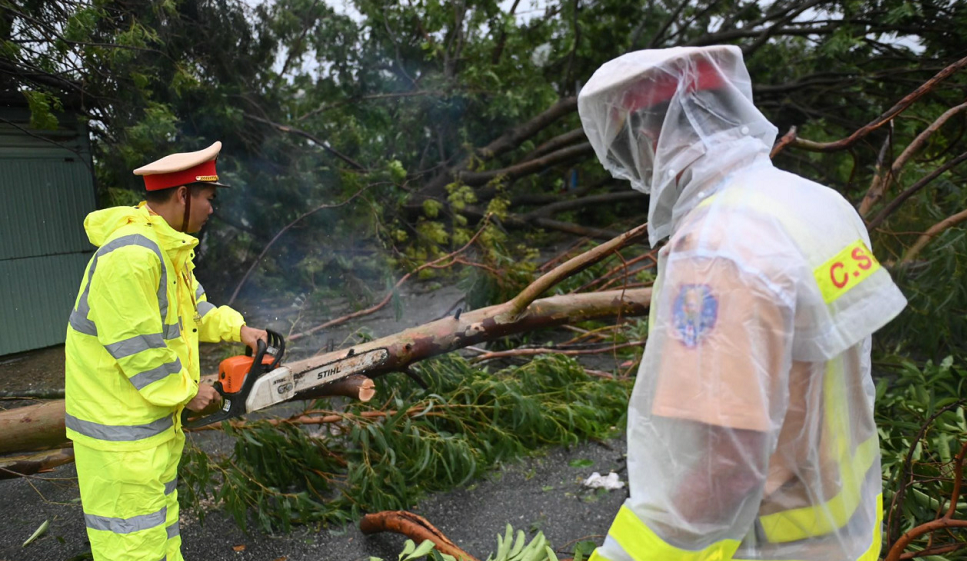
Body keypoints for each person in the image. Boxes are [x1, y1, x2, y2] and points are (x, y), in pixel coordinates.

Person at [577, 46, 907, 561]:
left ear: (648, 136)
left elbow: (722, 466)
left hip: (775, 546)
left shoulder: (716, 247)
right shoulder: (816, 203)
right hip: (849, 535)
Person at [64, 141, 268, 561]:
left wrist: (239, 329)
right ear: (183, 195)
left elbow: (194, 310)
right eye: (208, 198)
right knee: (132, 547)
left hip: (147, 428)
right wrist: (187, 392)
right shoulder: (131, 257)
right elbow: (137, 347)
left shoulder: (166, 248)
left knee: (158, 536)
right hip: (120, 436)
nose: (211, 209)